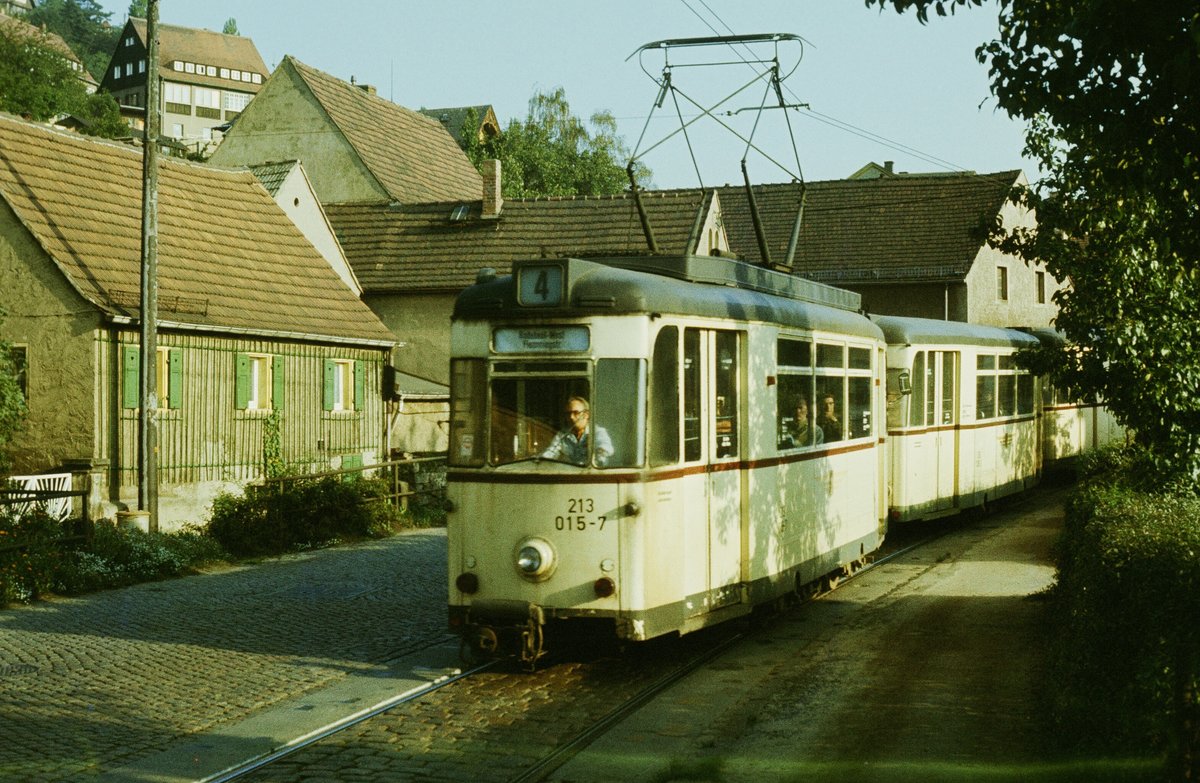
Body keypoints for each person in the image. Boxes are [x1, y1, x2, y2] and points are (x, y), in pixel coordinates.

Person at [541, 396, 613, 466]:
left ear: (586, 415)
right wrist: (539, 461)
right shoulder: (563, 434)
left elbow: (604, 447)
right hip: (571, 475)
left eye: (576, 413)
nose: (571, 417)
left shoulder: (597, 432)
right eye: (568, 414)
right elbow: (550, 452)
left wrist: (600, 452)